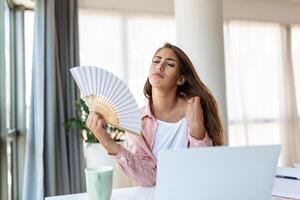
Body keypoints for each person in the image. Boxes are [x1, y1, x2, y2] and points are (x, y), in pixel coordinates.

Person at [86, 43, 224, 187]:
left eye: (170, 64)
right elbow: (149, 179)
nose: (160, 66)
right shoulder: (137, 120)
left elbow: (203, 169)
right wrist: (107, 142)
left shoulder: (195, 111)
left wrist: (197, 130)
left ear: (180, 79)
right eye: (156, 61)